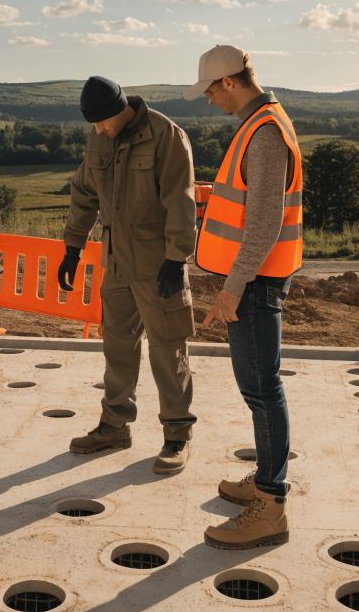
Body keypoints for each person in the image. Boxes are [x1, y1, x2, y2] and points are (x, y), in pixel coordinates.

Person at [190, 46, 303, 550]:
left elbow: (263, 223)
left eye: (211, 89)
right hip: (254, 278)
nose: (210, 99)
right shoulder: (263, 121)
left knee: (261, 388)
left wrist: (232, 290)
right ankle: (264, 482)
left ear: (230, 82)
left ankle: (270, 506)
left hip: (255, 283)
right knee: (260, 387)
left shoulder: (264, 133)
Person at [59, 76, 199, 474]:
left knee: (167, 348)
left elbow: (181, 199)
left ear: (121, 110)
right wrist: (72, 246)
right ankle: (115, 424)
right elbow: (84, 191)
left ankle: (177, 434)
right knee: (117, 344)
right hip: (117, 260)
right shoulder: (99, 138)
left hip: (158, 263)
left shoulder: (165, 135)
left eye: (103, 122)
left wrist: (176, 259)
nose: (99, 131)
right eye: (94, 125)